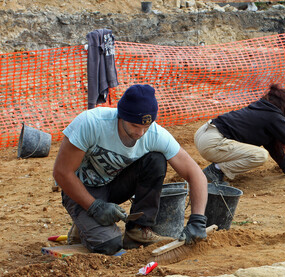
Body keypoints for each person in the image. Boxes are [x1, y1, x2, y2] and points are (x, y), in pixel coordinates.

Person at [53, 84, 209, 255]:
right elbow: (62, 172)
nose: (141, 132)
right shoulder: (91, 123)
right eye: (135, 125)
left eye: (146, 126)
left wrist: (198, 220)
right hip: (78, 188)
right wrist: (94, 207)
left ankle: (138, 230)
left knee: (155, 160)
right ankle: (84, 222)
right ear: (121, 116)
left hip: (113, 185)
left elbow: (195, 174)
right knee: (110, 245)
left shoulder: (155, 134)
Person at [195, 84, 285, 183]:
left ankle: (216, 168)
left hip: (204, 132)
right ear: (284, 104)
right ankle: (215, 171)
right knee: (259, 156)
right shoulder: (273, 116)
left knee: (255, 151)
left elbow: (273, 144)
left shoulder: (261, 107)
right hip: (212, 141)